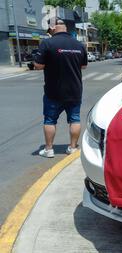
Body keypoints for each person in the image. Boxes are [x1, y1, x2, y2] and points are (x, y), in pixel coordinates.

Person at [34, 19, 88, 158]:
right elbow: (83, 66)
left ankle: (49, 149)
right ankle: (72, 147)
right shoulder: (79, 45)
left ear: (53, 28)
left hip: (53, 91)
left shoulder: (47, 43)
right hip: (74, 90)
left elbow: (38, 65)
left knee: (50, 120)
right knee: (74, 119)